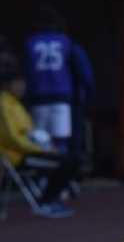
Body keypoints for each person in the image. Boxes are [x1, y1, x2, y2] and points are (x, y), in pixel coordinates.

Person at [0, 53, 78, 219]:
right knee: (65, 162)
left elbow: (31, 132)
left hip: (30, 150)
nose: (22, 87)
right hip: (17, 156)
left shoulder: (16, 104)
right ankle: (46, 202)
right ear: (8, 85)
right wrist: (41, 151)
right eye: (19, 83)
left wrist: (46, 147)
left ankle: (49, 199)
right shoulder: (3, 104)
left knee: (70, 158)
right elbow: (12, 139)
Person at [22, 5, 92, 156]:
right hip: (61, 99)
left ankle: (43, 178)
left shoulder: (30, 43)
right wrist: (87, 94)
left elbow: (25, 72)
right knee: (60, 143)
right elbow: (84, 72)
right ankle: (60, 177)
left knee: (40, 142)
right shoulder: (66, 42)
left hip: (37, 98)